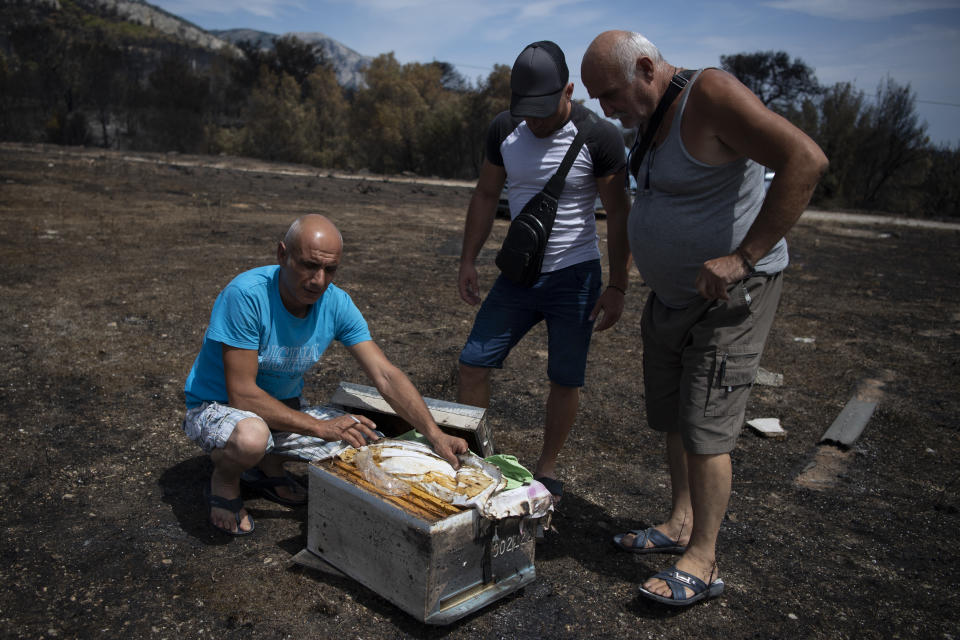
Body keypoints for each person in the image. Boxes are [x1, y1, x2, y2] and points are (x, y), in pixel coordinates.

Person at [581, 31, 828, 605]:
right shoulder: (649, 114)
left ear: (646, 67)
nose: (606, 108)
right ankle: (679, 524)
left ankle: (704, 560)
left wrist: (744, 257)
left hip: (730, 299)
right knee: (674, 418)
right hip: (672, 296)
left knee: (707, 425)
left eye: (610, 93)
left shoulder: (710, 94)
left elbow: (806, 159)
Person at [183, 214, 468, 535]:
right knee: (252, 438)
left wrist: (435, 434)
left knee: (366, 446)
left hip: (283, 407)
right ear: (282, 255)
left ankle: (267, 466)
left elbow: (385, 375)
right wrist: (321, 427)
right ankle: (225, 480)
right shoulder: (247, 296)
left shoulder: (335, 303)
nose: (318, 280)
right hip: (218, 407)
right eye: (308, 265)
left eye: (329, 270)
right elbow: (242, 394)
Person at [456, 41, 631, 503]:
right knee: (473, 363)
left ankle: (547, 467)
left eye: (542, 108)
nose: (532, 120)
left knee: (565, 378)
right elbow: (485, 195)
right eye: (524, 110)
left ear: (568, 90)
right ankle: (478, 459)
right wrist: (468, 259)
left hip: (575, 277)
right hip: (518, 275)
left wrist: (617, 284)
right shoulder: (504, 130)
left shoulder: (601, 137)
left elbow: (619, 213)